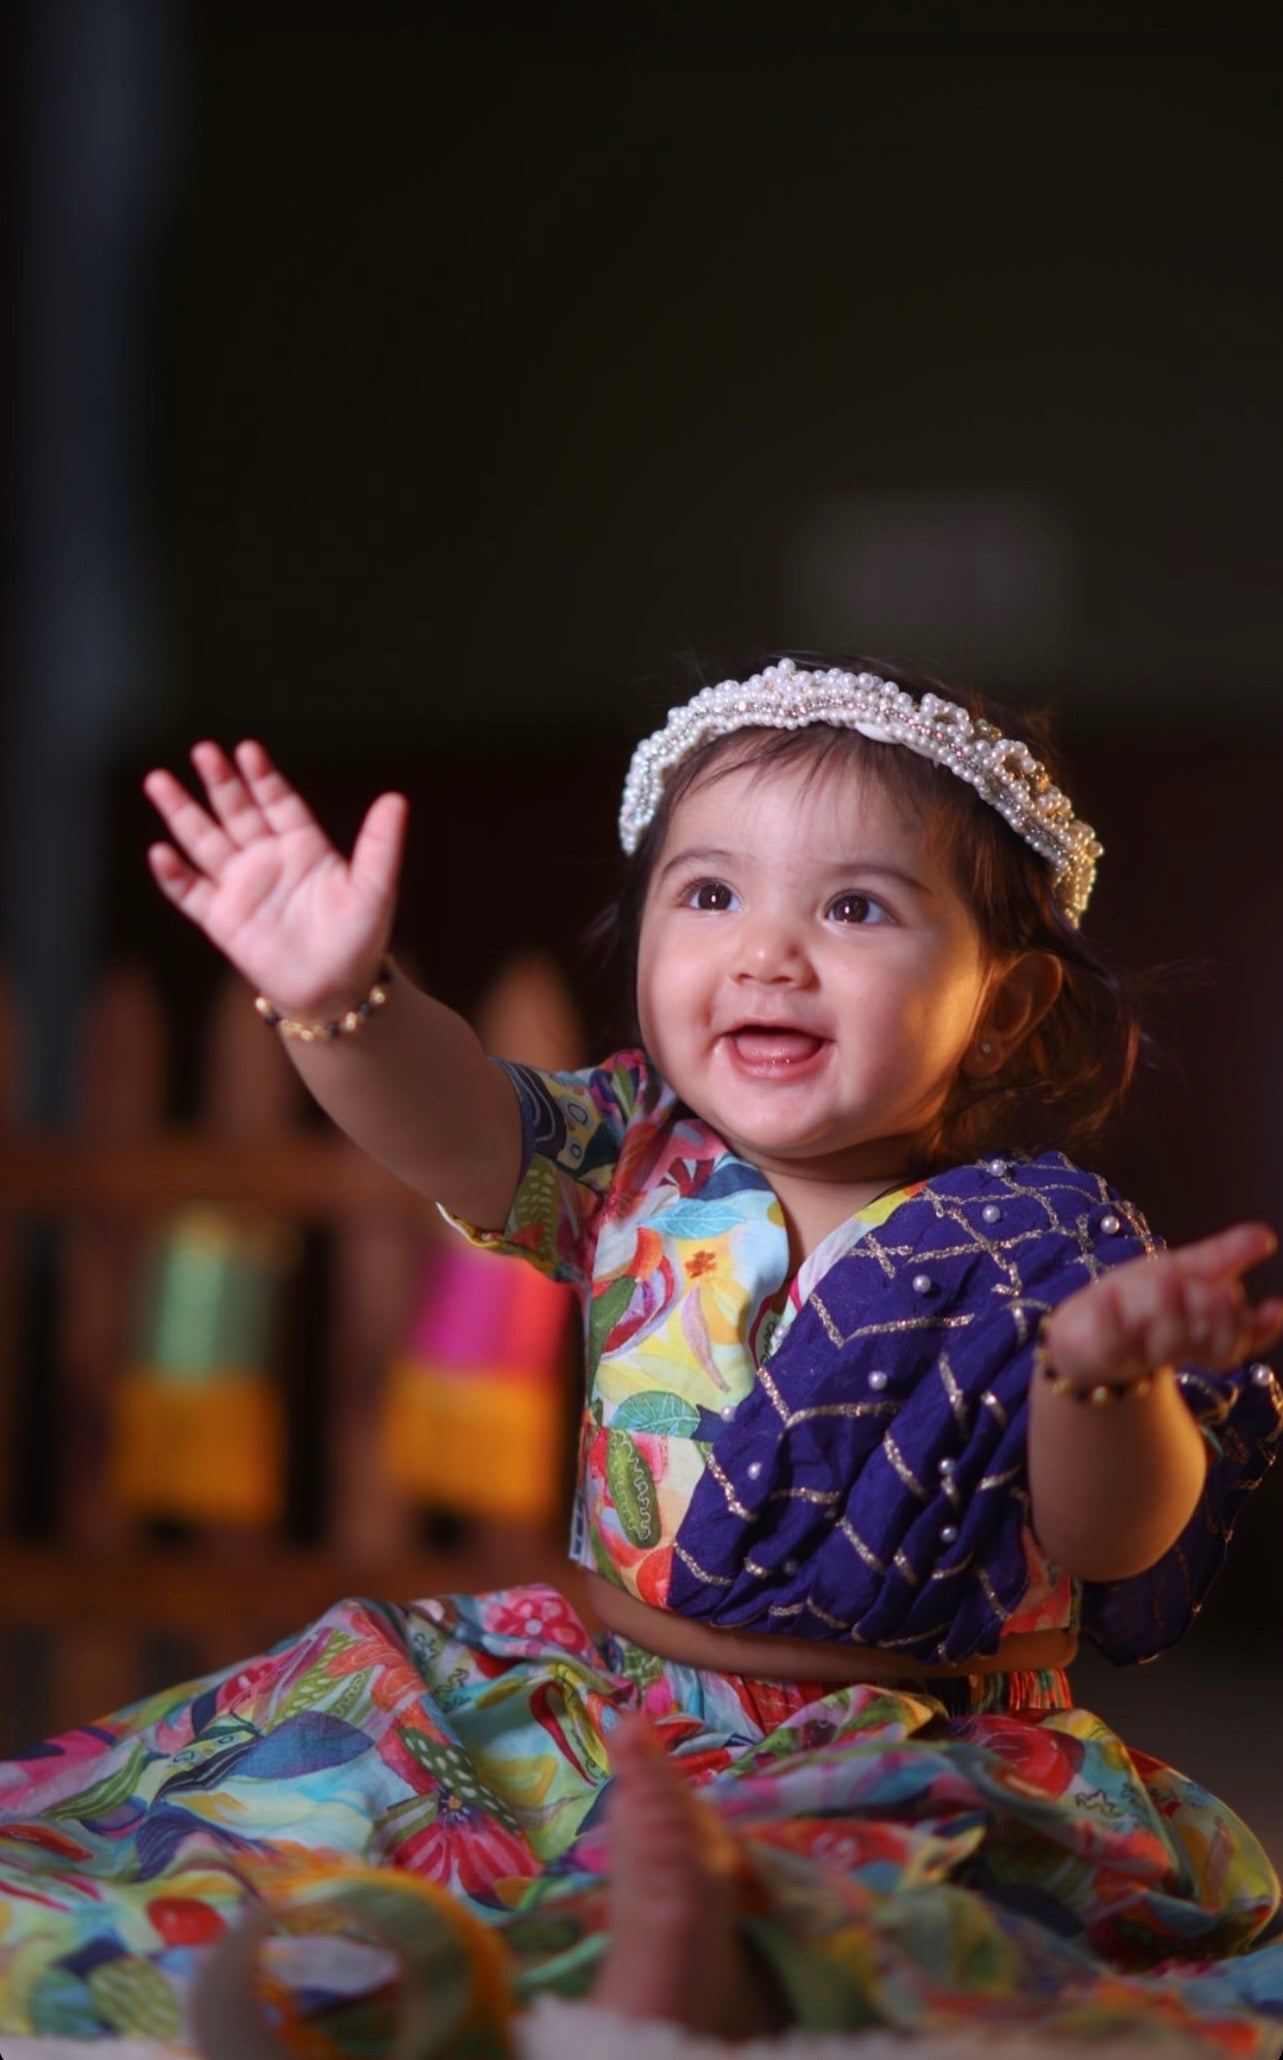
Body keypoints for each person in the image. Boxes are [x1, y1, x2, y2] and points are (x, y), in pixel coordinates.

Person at [3, 655, 1283, 2058]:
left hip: (914, 1749)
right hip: (602, 1705)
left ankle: (678, 1974)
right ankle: (358, 1983)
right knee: (298, 1809)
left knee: (876, 1920)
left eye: (854, 906)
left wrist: (1103, 1379)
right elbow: (450, 1118)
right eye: (711, 894)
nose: (766, 951)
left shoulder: (1043, 1246)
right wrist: (345, 998)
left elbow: (1112, 1539)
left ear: (1010, 1000)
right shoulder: (631, 1156)